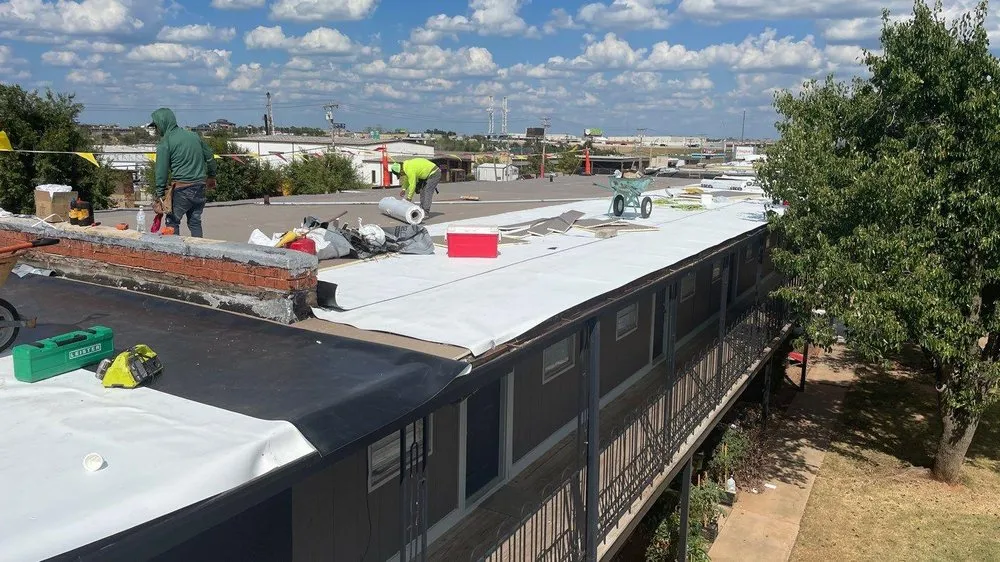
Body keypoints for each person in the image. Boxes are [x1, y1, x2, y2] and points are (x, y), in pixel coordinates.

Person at [148, 108, 217, 237]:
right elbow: (209, 156)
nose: (156, 129)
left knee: (172, 222)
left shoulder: (165, 142)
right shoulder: (193, 136)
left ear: (162, 123)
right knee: (195, 222)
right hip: (200, 187)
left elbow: (161, 171)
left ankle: (174, 249)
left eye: (156, 126)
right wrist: (212, 176)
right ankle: (199, 248)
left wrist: (160, 194)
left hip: (182, 189)